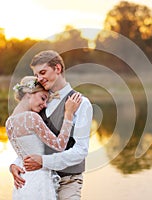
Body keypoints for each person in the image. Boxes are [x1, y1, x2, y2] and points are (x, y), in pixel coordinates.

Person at [10, 50, 93, 199]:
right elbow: (30, 142)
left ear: (58, 69)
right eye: (36, 75)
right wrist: (15, 164)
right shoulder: (39, 103)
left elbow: (81, 151)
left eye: (43, 72)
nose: (39, 79)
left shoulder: (82, 104)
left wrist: (44, 162)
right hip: (41, 180)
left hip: (69, 181)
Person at [6, 75, 82, 199]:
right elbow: (59, 146)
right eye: (43, 98)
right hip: (39, 180)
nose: (45, 104)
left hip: (23, 182)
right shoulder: (32, 117)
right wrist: (69, 114)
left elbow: (24, 153)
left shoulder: (9, 123)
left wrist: (12, 166)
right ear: (29, 93)